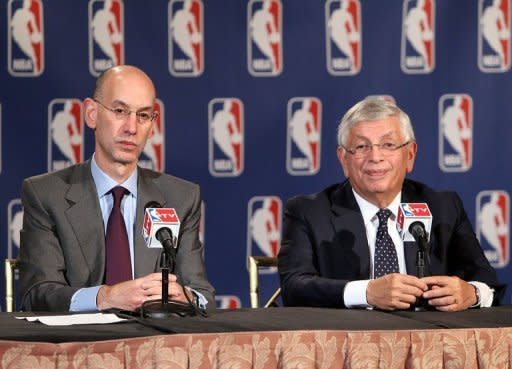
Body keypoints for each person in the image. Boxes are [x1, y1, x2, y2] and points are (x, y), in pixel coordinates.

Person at [278, 98, 505, 312]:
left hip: (427, 345)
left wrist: (473, 293)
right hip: (347, 346)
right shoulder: (309, 211)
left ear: (410, 154)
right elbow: (294, 287)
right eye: (361, 147)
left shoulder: (443, 207)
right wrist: (366, 292)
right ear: (343, 159)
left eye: (388, 144)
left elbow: (487, 281)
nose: (375, 157)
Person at [19, 65, 215, 312]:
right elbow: (37, 294)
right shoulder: (46, 195)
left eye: (143, 115)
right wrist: (106, 297)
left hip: (154, 345)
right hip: (80, 345)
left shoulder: (181, 198)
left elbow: (203, 295)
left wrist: (185, 296)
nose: (131, 128)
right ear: (91, 113)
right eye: (120, 111)